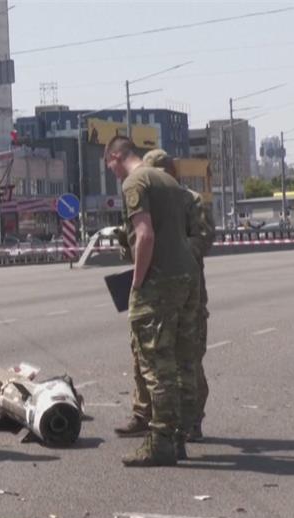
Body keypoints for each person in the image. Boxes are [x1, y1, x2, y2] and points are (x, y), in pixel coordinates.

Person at [104, 136, 200, 467]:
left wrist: (137, 281)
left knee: (156, 365)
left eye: (110, 165)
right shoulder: (169, 181)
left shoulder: (135, 181)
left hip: (160, 280)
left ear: (117, 156)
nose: (112, 173)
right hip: (188, 276)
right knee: (180, 360)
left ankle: (160, 442)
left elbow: (144, 235)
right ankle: (178, 437)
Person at [116, 150, 216, 442]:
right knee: (144, 353)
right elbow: (135, 240)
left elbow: (203, 237)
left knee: (187, 356)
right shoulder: (149, 198)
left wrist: (175, 252)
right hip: (152, 281)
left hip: (184, 287)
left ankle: (190, 419)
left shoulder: (190, 199)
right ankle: (143, 413)